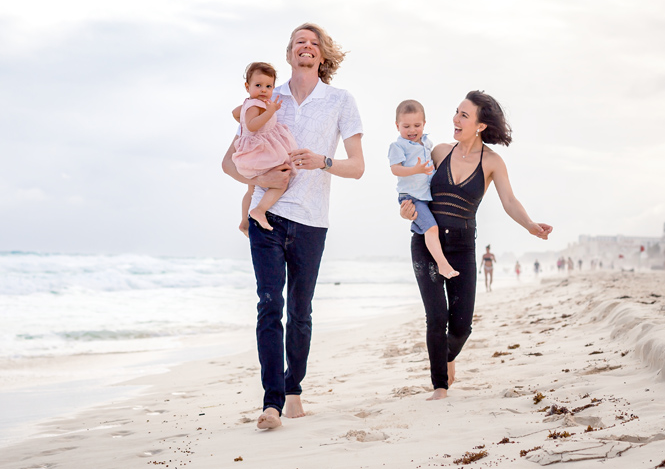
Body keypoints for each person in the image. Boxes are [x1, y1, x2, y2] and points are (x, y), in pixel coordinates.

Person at [222, 23, 364, 429]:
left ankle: (294, 388)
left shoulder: (340, 100)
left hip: (312, 221)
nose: (307, 46)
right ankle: (271, 403)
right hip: (268, 219)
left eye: (314, 43)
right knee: (270, 305)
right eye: (299, 42)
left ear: (322, 56)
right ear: (288, 54)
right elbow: (229, 162)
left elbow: (358, 167)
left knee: (300, 312)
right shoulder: (266, 96)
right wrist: (261, 182)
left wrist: (324, 161)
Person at [400, 90, 552, 401]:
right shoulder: (439, 152)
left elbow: (509, 201)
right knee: (436, 317)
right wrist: (405, 208)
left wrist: (530, 225)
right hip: (426, 243)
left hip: (462, 247)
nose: (455, 119)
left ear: (480, 125)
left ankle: (448, 356)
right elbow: (411, 186)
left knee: (461, 327)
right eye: (457, 112)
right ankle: (439, 387)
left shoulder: (492, 162)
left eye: (464, 115)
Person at [389, 100, 458, 279]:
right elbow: (395, 169)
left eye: (417, 125)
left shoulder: (427, 143)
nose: (412, 130)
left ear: (424, 124)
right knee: (432, 228)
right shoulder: (398, 146)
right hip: (412, 198)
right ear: (397, 126)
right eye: (406, 126)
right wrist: (415, 170)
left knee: (432, 228)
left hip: (426, 196)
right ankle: (442, 265)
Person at [232, 62, 298, 235]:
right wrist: (269, 112)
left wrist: (243, 122)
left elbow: (235, 113)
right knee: (281, 180)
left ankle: (244, 222)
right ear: (247, 86)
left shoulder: (248, 103)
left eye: (268, 86)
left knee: (251, 188)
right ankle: (259, 210)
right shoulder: (256, 105)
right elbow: (253, 126)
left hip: (252, 150)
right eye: (258, 85)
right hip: (260, 151)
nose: (263, 90)